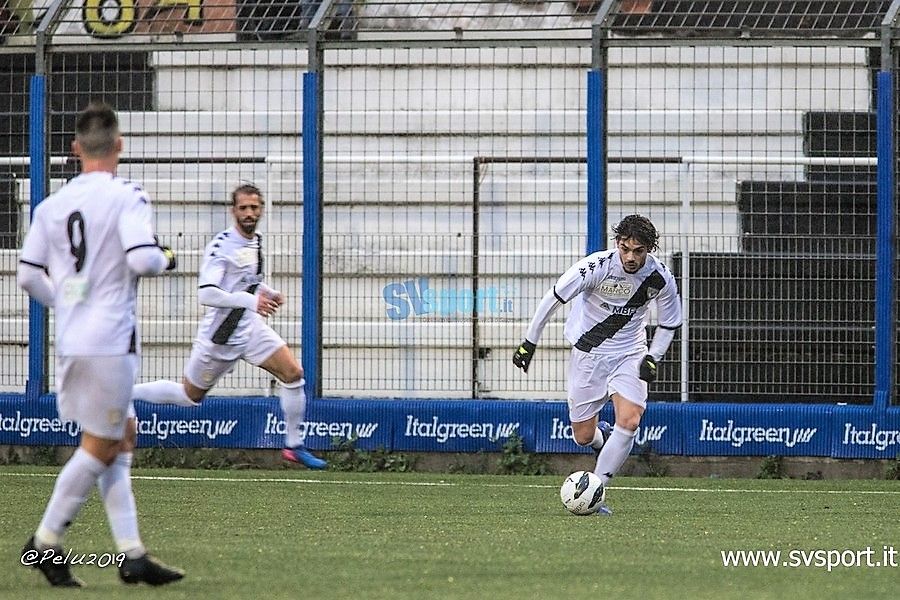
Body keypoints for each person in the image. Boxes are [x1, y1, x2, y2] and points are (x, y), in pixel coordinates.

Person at [17, 101, 184, 586]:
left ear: (74, 150)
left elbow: (28, 276)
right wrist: (165, 257)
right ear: (119, 146)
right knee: (102, 444)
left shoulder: (51, 205)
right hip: (110, 341)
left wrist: (66, 304)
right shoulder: (126, 195)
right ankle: (45, 542)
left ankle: (131, 553)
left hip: (72, 340)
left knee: (120, 436)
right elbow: (142, 259)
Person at [131, 184, 327, 470]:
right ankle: (125, 393)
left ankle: (294, 445)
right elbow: (207, 293)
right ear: (233, 210)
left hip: (249, 328)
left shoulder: (255, 241)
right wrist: (250, 301)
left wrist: (266, 292)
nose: (249, 213)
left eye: (254, 207)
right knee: (189, 396)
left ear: (261, 208)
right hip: (220, 337)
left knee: (293, 373)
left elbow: (247, 280)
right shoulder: (221, 247)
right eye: (244, 208)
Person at [513, 214, 682, 515]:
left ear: (650, 249)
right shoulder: (596, 267)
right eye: (625, 248)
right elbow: (553, 298)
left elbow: (670, 323)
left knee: (630, 420)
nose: (630, 257)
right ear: (617, 243)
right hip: (588, 356)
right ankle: (599, 438)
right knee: (582, 436)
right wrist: (529, 342)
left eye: (638, 250)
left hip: (630, 353)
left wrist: (653, 357)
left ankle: (596, 490)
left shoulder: (661, 278)